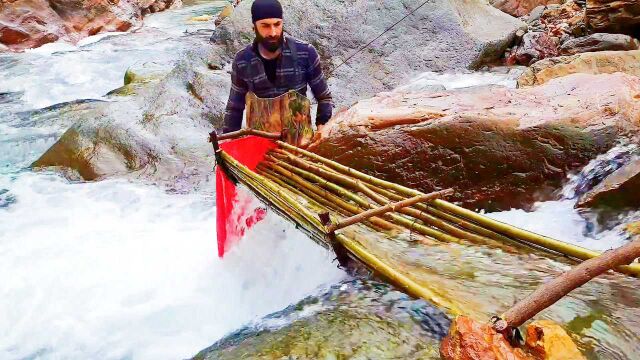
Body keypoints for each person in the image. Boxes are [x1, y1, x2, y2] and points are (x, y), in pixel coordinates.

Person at [222, 0, 333, 135]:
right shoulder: (242, 60)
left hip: (300, 140)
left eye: (277, 24)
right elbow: (235, 109)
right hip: (259, 141)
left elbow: (324, 98)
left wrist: (322, 127)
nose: (273, 32)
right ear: (254, 27)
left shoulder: (306, 52)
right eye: (265, 26)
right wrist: (228, 139)